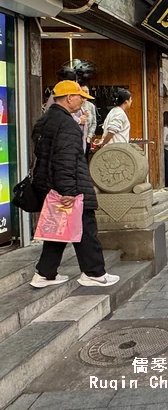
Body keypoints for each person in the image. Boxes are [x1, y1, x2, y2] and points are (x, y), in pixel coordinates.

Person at [29, 81, 119, 288]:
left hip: (50, 184)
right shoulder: (67, 123)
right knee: (86, 227)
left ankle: (45, 273)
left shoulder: (44, 120)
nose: (83, 103)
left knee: (59, 229)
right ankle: (94, 272)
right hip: (70, 185)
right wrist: (68, 190)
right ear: (69, 97)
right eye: (80, 98)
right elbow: (65, 158)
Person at [81, 85, 97, 156]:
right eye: (82, 91)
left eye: (86, 91)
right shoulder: (74, 105)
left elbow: (94, 123)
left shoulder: (91, 106)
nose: (85, 93)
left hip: (87, 138)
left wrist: (89, 137)